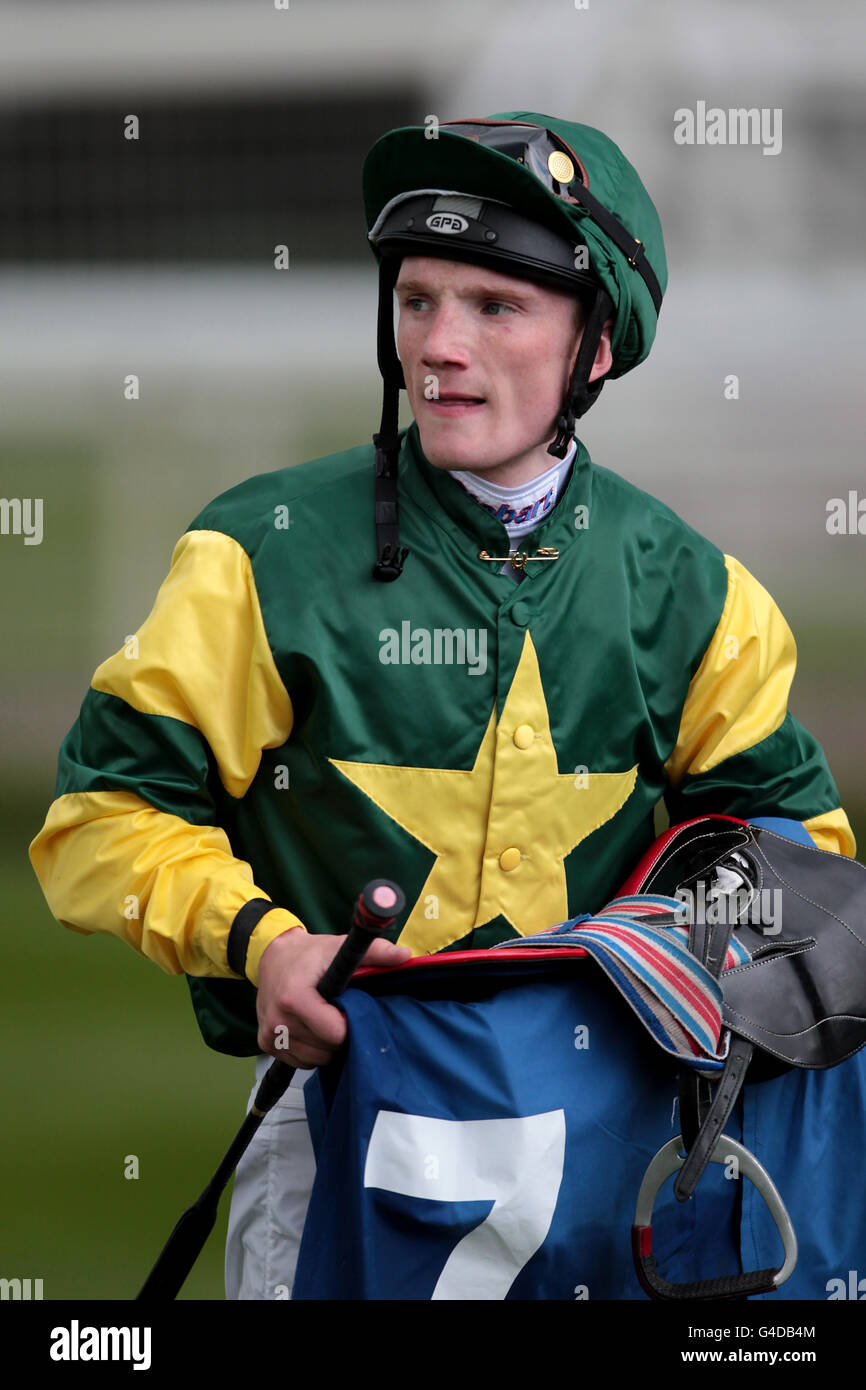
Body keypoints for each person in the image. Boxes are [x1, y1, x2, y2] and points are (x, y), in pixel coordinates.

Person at [29, 111, 855, 1300]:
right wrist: (263, 944)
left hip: (621, 1133)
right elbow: (97, 816)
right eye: (417, 300)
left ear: (598, 346)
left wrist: (667, 958)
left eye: (494, 306)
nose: (438, 347)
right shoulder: (256, 552)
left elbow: (796, 869)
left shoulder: (699, 592)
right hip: (329, 1130)